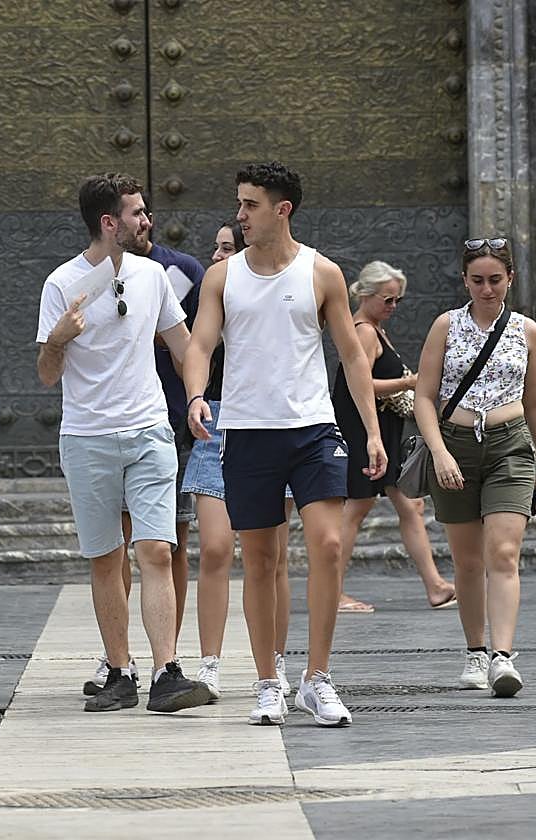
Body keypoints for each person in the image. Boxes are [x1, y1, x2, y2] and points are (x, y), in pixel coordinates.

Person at [184, 162, 386, 727]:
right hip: (247, 431)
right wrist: (197, 396)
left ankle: (317, 678)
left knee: (325, 545)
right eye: (239, 203)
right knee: (262, 560)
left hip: (314, 430)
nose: (240, 214)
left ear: (282, 209)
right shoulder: (223, 278)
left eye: (250, 204)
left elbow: (350, 355)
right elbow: (200, 345)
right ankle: (268, 680)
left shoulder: (321, 273)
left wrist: (370, 429)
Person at [37, 172, 211, 714]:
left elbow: (183, 347)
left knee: (158, 548)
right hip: (86, 437)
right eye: (137, 213)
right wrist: (60, 339)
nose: (147, 221)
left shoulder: (153, 274)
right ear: (109, 223)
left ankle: (167, 671)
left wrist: (200, 396)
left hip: (149, 429)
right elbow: (46, 373)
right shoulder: (61, 284)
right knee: (106, 557)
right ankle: (120, 669)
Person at [412, 237, 536, 698]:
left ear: (510, 279)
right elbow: (424, 396)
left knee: (504, 554)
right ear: (465, 280)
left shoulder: (527, 331)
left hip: (510, 445)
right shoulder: (445, 326)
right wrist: (439, 451)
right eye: (478, 280)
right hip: (454, 444)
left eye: (496, 280)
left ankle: (503, 657)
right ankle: (475, 650)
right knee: (468, 560)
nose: (487, 289)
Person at [184, 220, 293, 702]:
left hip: (272, 422)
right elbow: (195, 349)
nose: (218, 254)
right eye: (216, 247)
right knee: (214, 548)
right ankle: (209, 664)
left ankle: (276, 661)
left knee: (272, 559)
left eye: (228, 247)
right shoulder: (215, 291)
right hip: (218, 420)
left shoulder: (279, 288)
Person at [334, 260, 457, 612]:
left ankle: (435, 585)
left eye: (397, 300)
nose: (393, 307)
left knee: (411, 504)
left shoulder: (375, 329)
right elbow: (360, 384)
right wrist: (408, 382)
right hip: (363, 431)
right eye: (388, 300)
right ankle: (333, 590)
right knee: (356, 508)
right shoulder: (364, 331)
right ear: (368, 295)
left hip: (383, 431)